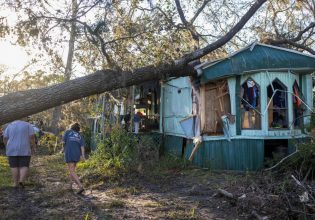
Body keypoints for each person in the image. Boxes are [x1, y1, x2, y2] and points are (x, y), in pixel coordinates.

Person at [3, 118, 36, 188]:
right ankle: (21, 181)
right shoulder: (27, 125)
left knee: (14, 166)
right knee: (24, 165)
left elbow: (5, 137)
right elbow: (32, 137)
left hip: (12, 148)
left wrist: (6, 145)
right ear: (23, 117)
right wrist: (33, 146)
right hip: (24, 148)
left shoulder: (10, 125)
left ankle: (15, 183)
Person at [63, 122, 85, 194]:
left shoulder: (68, 132)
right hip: (77, 154)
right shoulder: (79, 135)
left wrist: (63, 149)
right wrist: (83, 156)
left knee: (72, 171)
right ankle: (70, 186)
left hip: (69, 152)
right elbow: (82, 146)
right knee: (72, 170)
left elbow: (63, 142)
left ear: (71, 127)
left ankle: (80, 186)